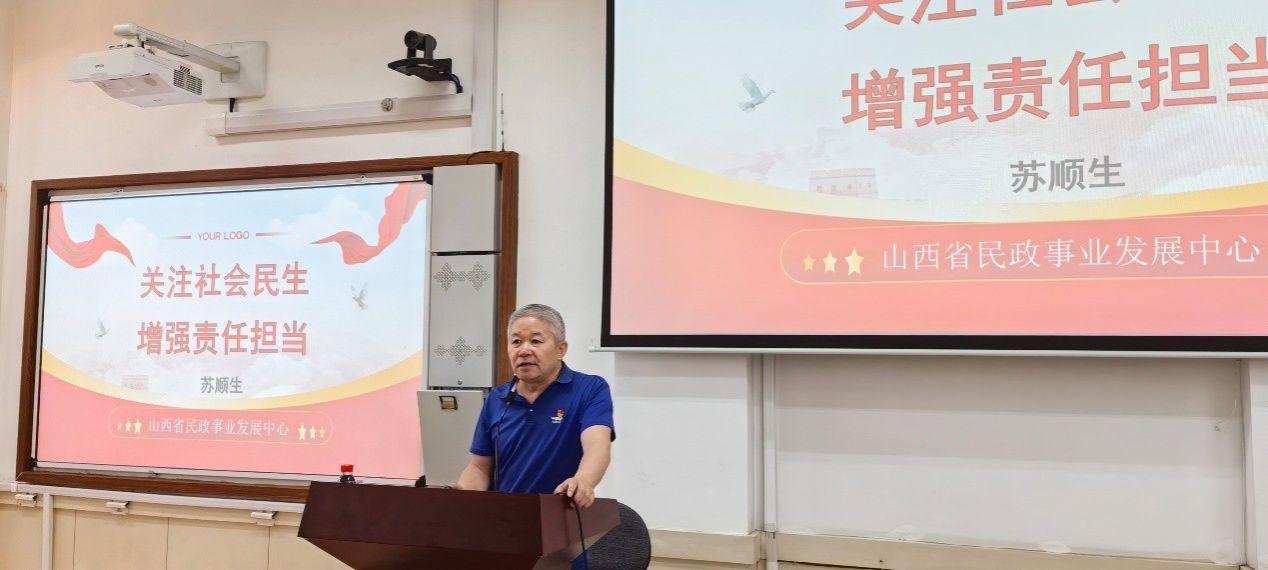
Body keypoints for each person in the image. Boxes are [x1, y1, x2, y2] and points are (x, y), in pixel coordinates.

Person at [456, 304, 615, 512]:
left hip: (560, 517)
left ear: (561, 349)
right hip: (503, 519)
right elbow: (479, 467)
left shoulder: (590, 389)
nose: (524, 351)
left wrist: (583, 481)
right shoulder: (497, 398)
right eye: (516, 342)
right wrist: (461, 497)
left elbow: (597, 446)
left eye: (536, 341)